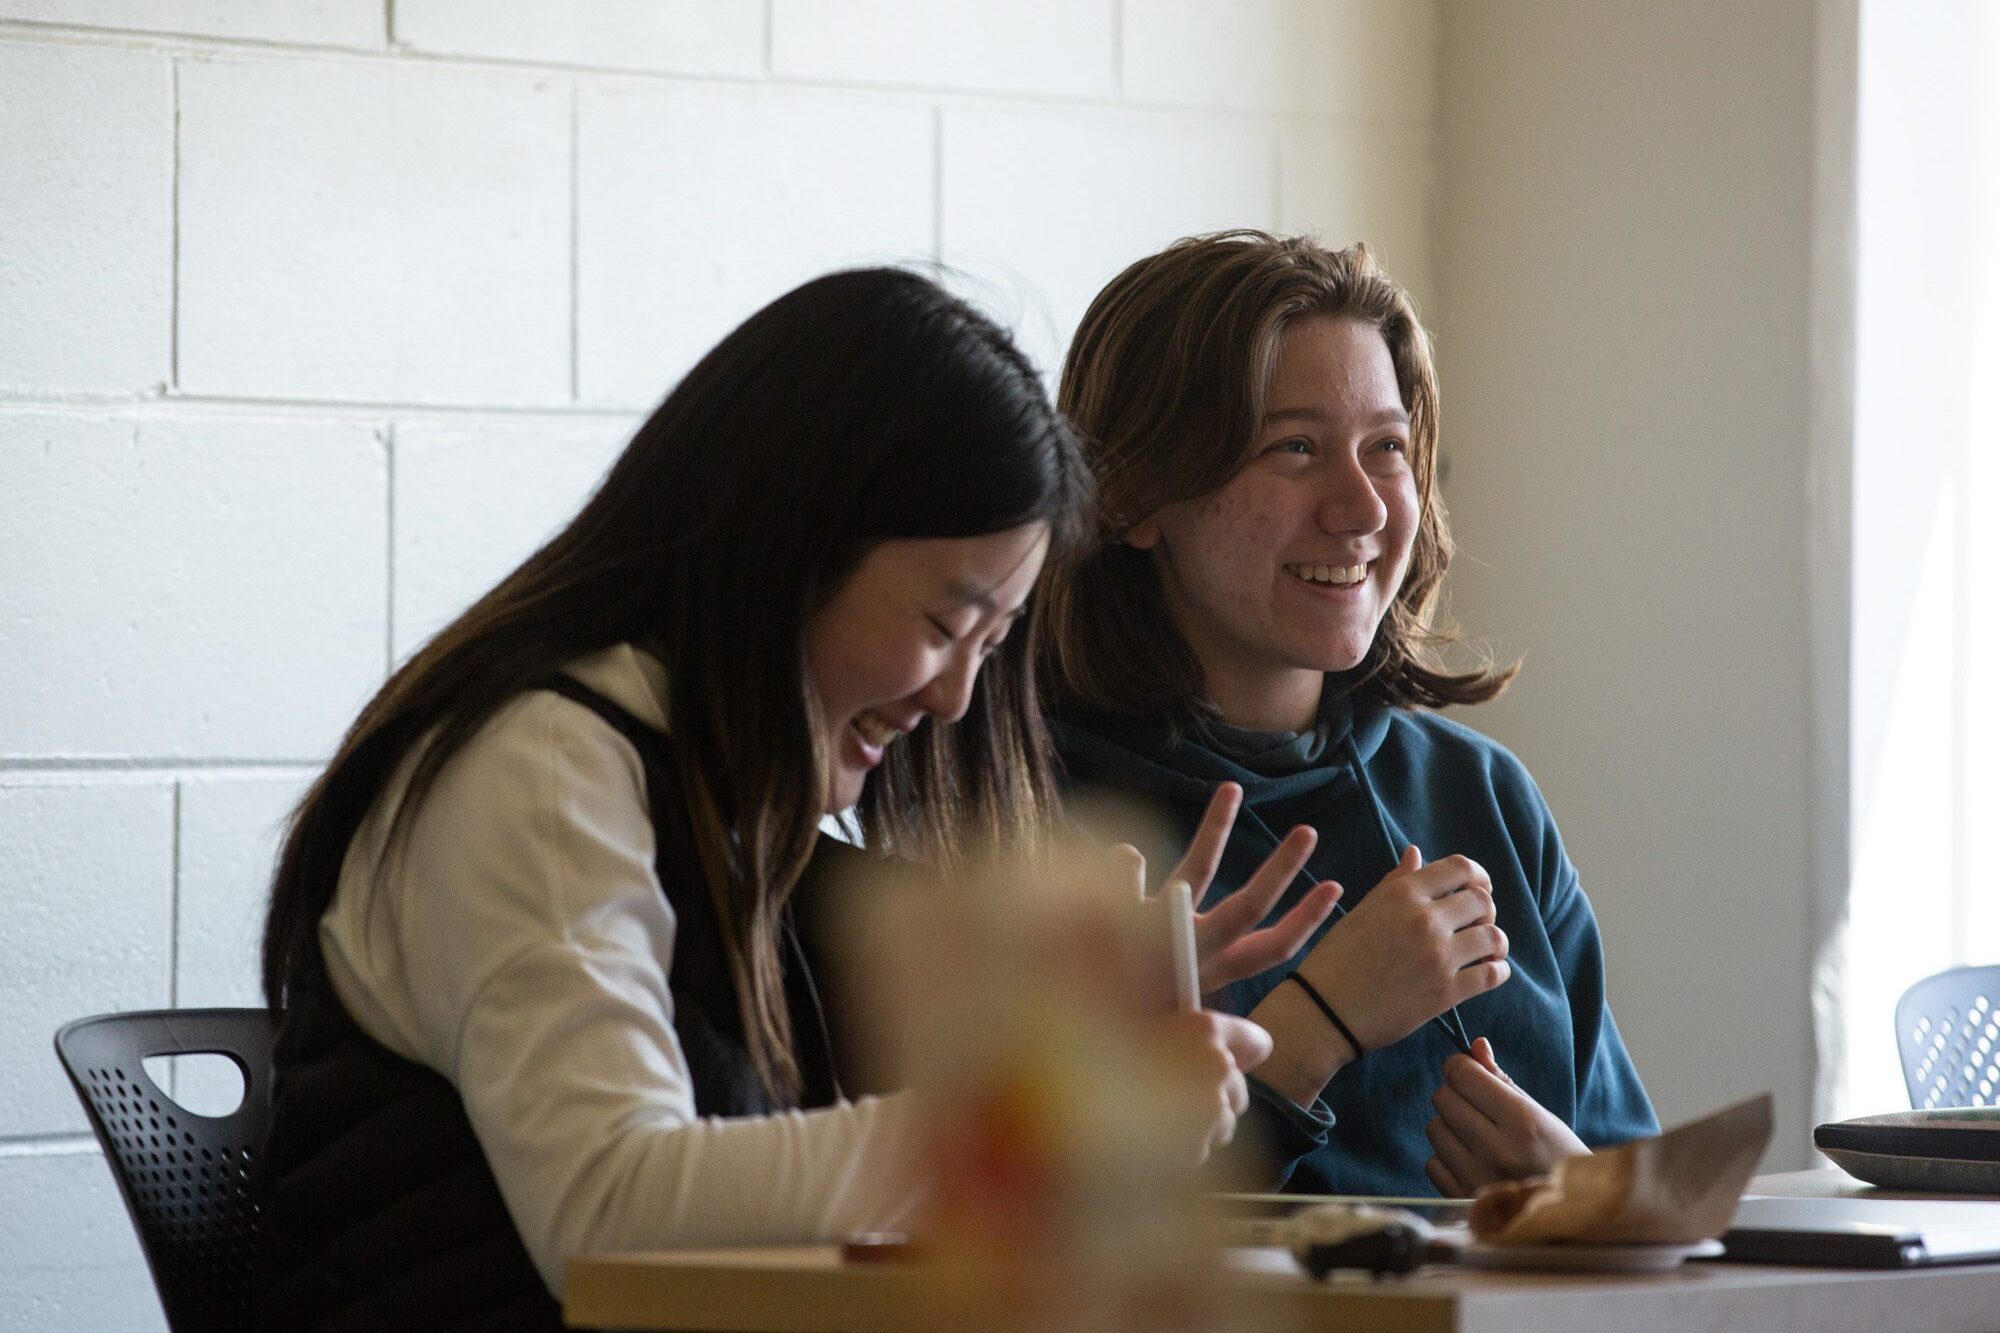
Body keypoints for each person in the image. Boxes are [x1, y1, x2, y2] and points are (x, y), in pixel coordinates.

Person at [251, 268, 1299, 1330]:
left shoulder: (729, 808)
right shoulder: (544, 767)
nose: (951, 698)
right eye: (945, 624)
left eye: (989, 647)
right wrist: (1039, 1127)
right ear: (794, 541)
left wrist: (1069, 1020)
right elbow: (603, 1211)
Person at [1037, 231, 1658, 1199]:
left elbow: (1638, 1186)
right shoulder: (1026, 811)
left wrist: (1579, 1193)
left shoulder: (1479, 792)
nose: (1361, 507)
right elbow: (1060, 1238)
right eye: (1293, 449)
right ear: (1134, 495)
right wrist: (1317, 1023)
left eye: (1386, 450)